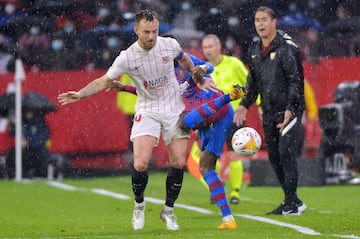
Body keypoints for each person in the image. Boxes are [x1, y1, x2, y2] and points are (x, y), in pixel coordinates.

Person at [57, 9, 212, 231]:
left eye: (155, 31)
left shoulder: (169, 44)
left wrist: (195, 73)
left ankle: (168, 211)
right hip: (147, 108)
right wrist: (80, 94)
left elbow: (183, 58)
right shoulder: (127, 57)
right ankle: (139, 205)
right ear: (136, 30)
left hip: (173, 108)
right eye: (147, 32)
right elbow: (104, 81)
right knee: (140, 163)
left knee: (178, 162)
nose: (151, 36)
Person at [109, 33, 246, 229]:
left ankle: (231, 96)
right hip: (204, 118)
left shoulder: (185, 60)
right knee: (206, 167)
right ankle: (228, 219)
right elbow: (147, 93)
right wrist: (125, 88)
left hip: (218, 108)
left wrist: (201, 69)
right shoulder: (157, 71)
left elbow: (210, 66)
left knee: (184, 121)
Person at [233, 6, 307, 215]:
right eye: (257, 20)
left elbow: (296, 80)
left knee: (285, 153)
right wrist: (243, 104)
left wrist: (291, 108)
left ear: (274, 22)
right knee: (274, 157)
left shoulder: (287, 47)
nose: (261, 24)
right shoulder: (255, 50)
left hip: (288, 110)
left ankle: (291, 204)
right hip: (268, 110)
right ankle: (292, 199)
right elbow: (252, 83)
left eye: (264, 19)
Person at [201, 33, 248, 204]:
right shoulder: (202, 70)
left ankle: (235, 193)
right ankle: (216, 189)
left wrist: (256, 104)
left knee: (234, 155)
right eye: (205, 47)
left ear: (219, 47)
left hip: (234, 116)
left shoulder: (233, 64)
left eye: (210, 46)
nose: (208, 50)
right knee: (211, 157)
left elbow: (249, 84)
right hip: (212, 119)